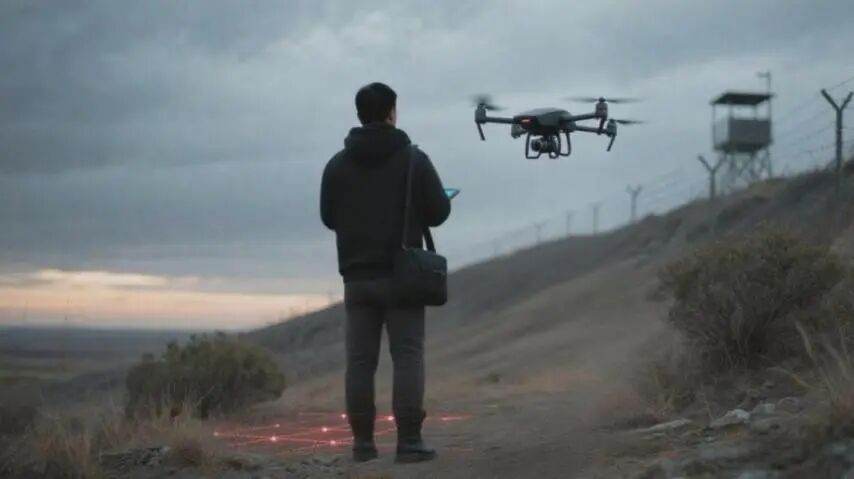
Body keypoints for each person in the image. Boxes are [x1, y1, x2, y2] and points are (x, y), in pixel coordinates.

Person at [320, 82, 451, 463]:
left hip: (357, 279)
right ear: (392, 112)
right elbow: (439, 212)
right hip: (402, 278)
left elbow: (328, 217)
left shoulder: (336, 165)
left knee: (360, 362)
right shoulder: (414, 160)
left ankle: (363, 444)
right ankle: (409, 442)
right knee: (407, 355)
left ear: (360, 114)